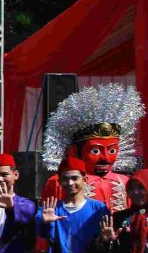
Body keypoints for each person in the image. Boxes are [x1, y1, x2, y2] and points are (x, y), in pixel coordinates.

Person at [40, 83, 145, 211]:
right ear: (74, 151)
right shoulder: (60, 182)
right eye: (95, 151)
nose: (105, 158)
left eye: (112, 150)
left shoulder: (125, 182)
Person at [92, 169, 148, 253]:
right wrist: (107, 242)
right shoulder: (119, 217)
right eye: (131, 188)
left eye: (141, 187)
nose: (135, 192)